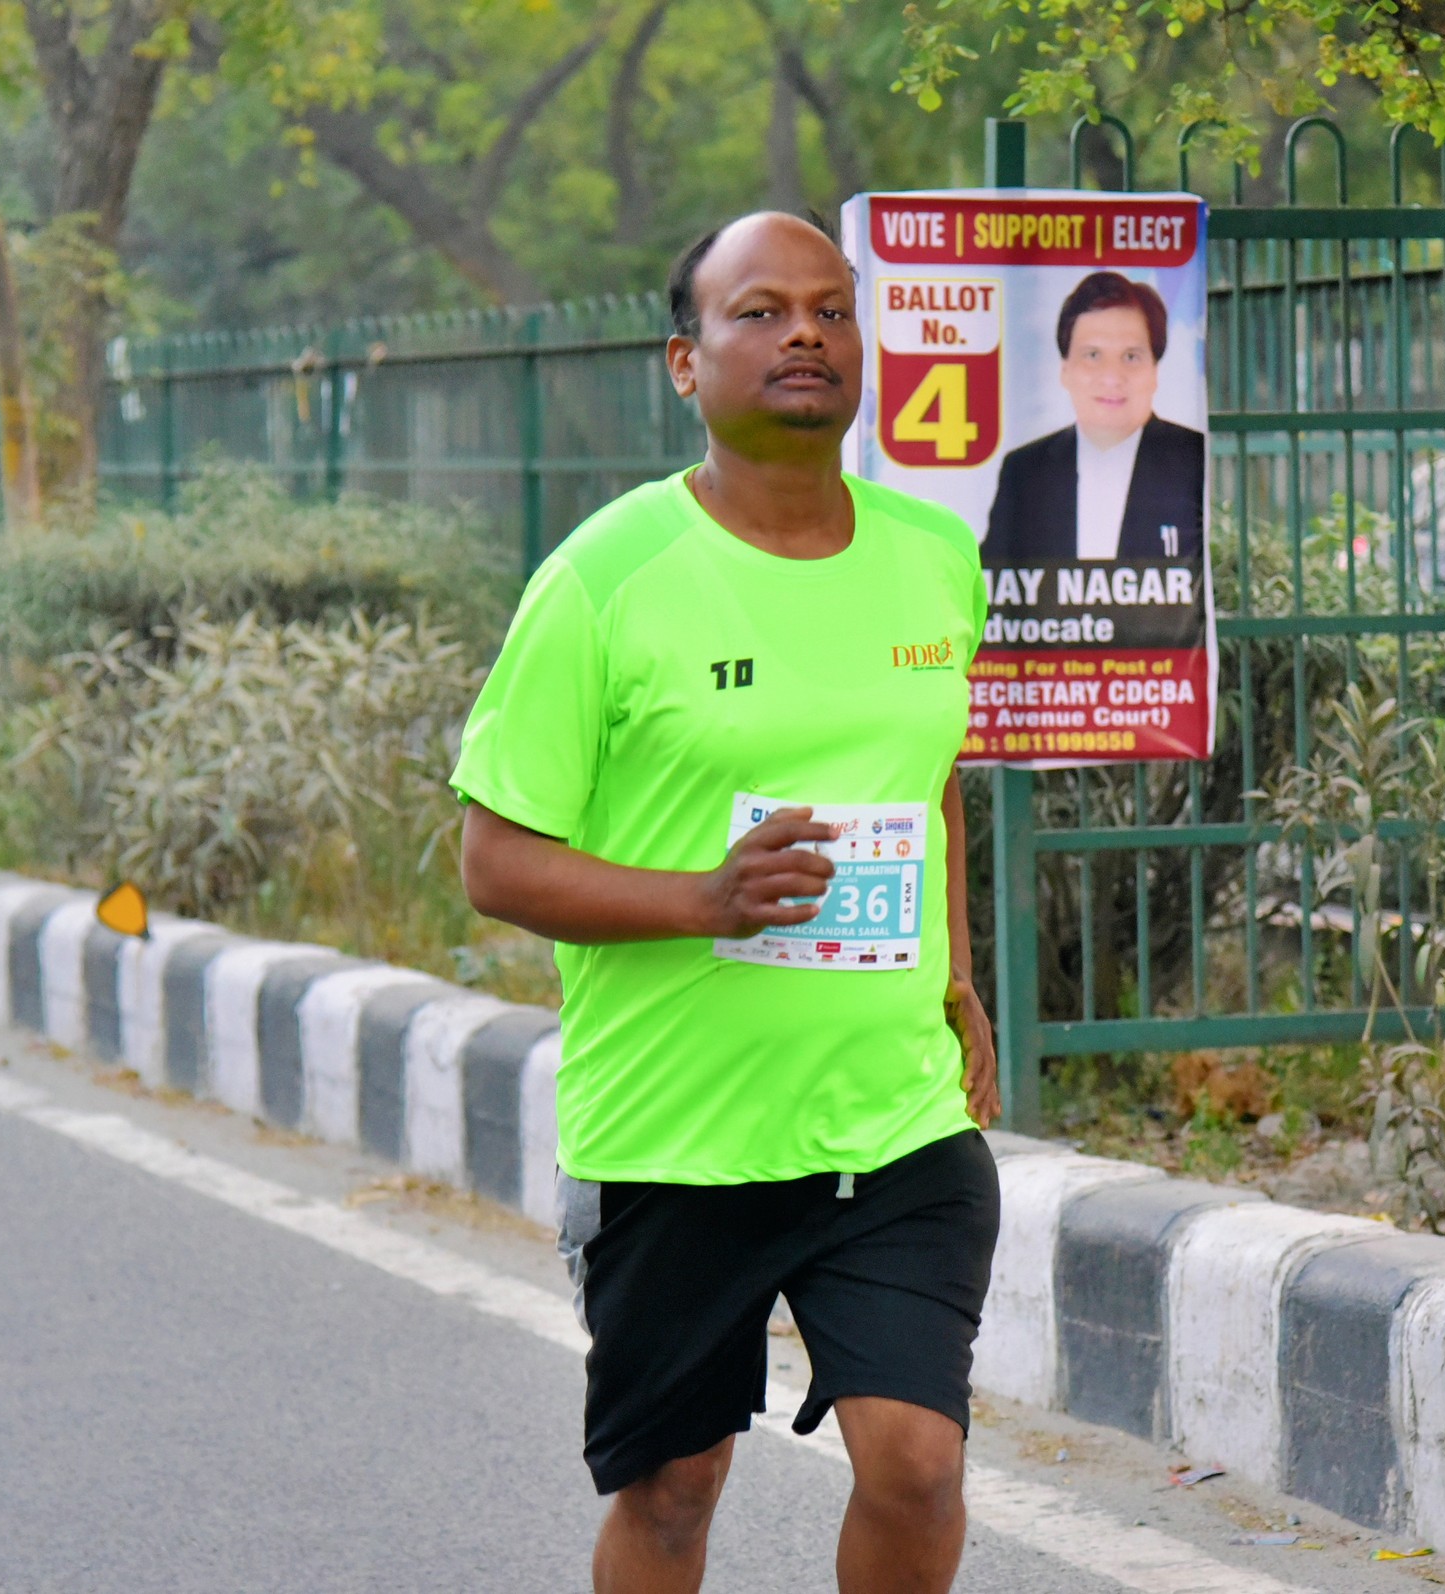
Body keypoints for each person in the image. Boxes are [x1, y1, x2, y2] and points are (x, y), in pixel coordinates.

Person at [450, 210, 1001, 1594]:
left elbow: (930, 780)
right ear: (685, 362)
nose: (804, 332)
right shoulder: (604, 579)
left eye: (830, 308)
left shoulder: (935, 555)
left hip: (888, 1115)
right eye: (759, 311)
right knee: (674, 1487)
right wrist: (704, 898)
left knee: (918, 1463)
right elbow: (495, 858)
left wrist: (956, 977)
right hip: (676, 1130)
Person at [981, 271, 1205, 563]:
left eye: (1131, 357)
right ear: (1065, 371)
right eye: (1093, 356)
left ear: (1154, 372)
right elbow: (994, 577)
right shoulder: (1024, 471)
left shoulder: (1193, 457)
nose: (1111, 377)